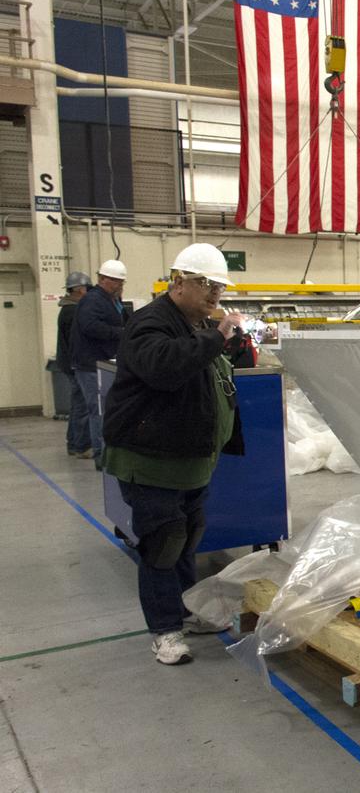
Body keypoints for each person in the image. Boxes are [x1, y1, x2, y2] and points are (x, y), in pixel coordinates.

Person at [101, 243, 244, 665]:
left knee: (185, 545)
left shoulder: (194, 323)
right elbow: (164, 369)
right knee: (163, 546)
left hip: (190, 464)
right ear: (178, 282)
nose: (215, 295)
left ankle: (188, 611)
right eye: (207, 286)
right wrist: (217, 336)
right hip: (151, 463)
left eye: (219, 287)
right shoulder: (150, 324)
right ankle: (165, 631)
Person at [72, 259, 129, 467]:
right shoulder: (93, 300)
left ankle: (94, 449)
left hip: (102, 362)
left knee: (99, 408)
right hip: (90, 364)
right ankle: (100, 456)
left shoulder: (110, 299)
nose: (120, 285)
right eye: (116, 281)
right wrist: (121, 333)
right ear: (103, 279)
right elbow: (90, 326)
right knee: (97, 410)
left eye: (122, 282)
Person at [57, 272, 93, 457]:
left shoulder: (67, 308)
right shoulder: (73, 311)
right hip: (75, 364)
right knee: (83, 405)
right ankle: (81, 445)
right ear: (80, 290)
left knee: (77, 404)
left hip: (69, 363)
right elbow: (76, 341)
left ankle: (73, 442)